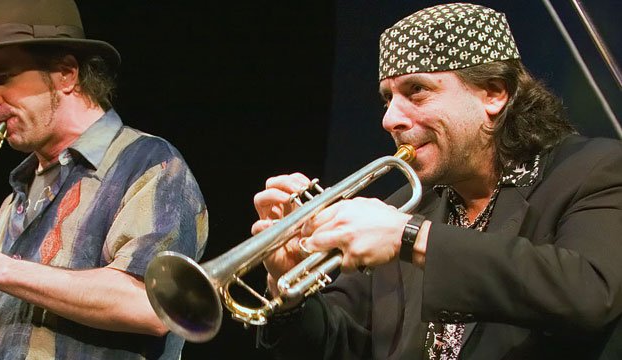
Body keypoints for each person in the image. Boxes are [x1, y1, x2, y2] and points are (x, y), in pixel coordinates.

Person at [252, 3, 622, 359]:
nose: (390, 119)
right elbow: (339, 346)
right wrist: (288, 292)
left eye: (417, 91)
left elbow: (590, 292)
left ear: (494, 92)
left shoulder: (595, 170)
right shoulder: (401, 208)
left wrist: (411, 238)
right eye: (388, 98)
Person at [0, 0, 208, 359]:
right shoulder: (14, 201)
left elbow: (153, 306)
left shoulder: (149, 164)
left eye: (2, 77)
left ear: (66, 73)